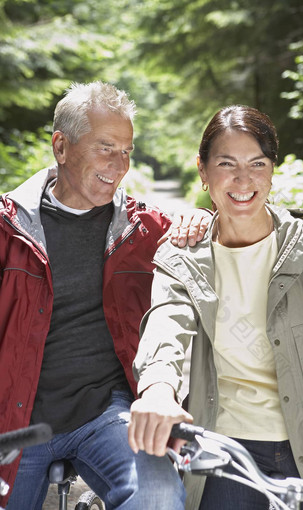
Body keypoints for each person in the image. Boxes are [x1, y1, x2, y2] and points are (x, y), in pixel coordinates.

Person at [0, 81, 211, 510]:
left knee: (159, 495)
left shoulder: (143, 229)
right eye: (105, 147)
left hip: (107, 414)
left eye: (127, 151)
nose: (119, 165)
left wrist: (202, 216)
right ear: (61, 146)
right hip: (14, 417)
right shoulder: (8, 228)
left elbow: (222, 232)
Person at [129, 105, 303, 510]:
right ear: (203, 170)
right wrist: (157, 390)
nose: (243, 179)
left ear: (272, 170)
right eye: (226, 163)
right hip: (225, 452)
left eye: (257, 163)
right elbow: (164, 327)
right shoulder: (183, 256)